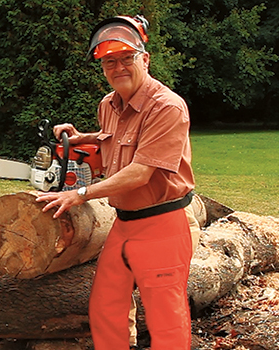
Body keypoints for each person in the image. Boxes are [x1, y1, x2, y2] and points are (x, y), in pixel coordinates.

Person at [35, 14, 195, 350]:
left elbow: (140, 172)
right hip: (124, 223)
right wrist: (82, 138)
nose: (118, 67)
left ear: (145, 59)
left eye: (126, 58)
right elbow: (115, 139)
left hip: (162, 223)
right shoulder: (108, 104)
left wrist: (82, 193)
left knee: (166, 317)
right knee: (106, 307)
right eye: (109, 61)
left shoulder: (167, 107)